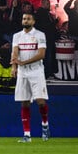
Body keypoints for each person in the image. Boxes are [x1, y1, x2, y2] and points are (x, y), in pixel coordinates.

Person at [12, 12, 50, 142]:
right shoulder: (17, 36)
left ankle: (45, 125)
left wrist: (24, 62)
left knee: (40, 101)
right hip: (23, 72)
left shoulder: (39, 35)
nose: (25, 21)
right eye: (24, 18)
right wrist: (14, 67)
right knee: (25, 102)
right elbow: (15, 51)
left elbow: (41, 54)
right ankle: (27, 135)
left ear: (33, 21)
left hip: (36, 71)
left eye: (28, 19)